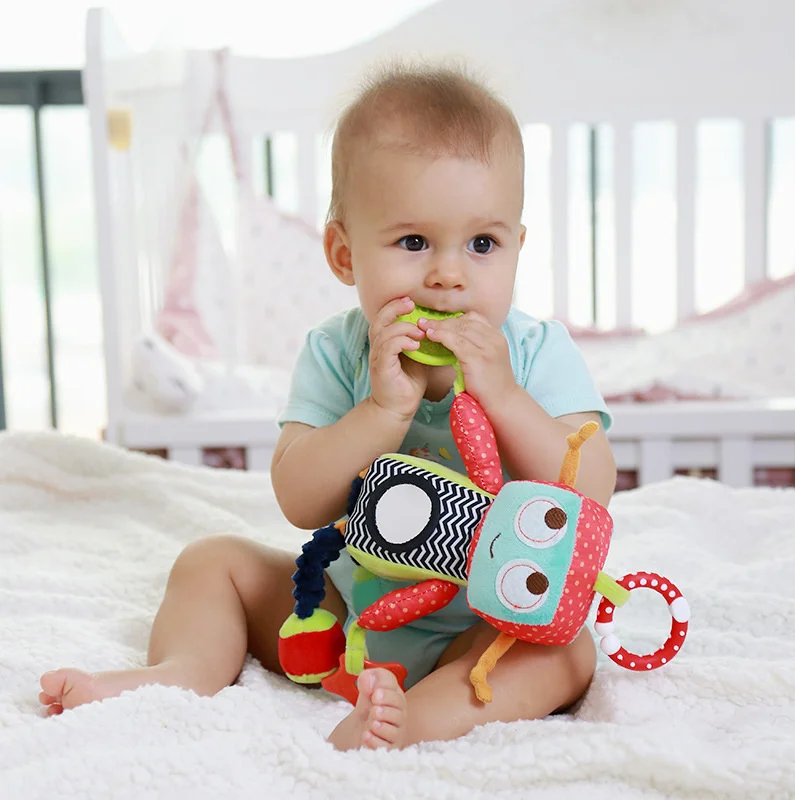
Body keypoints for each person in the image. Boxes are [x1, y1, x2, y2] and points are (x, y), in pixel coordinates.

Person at [39, 63, 616, 751]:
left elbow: (592, 493)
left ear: (518, 247)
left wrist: (508, 399)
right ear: (343, 253)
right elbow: (301, 500)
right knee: (211, 561)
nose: (448, 274)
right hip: (340, 617)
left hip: (487, 622)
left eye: (482, 244)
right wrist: (380, 410)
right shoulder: (339, 352)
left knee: (568, 651)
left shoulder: (536, 352)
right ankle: (180, 673)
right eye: (413, 243)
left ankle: (412, 722)